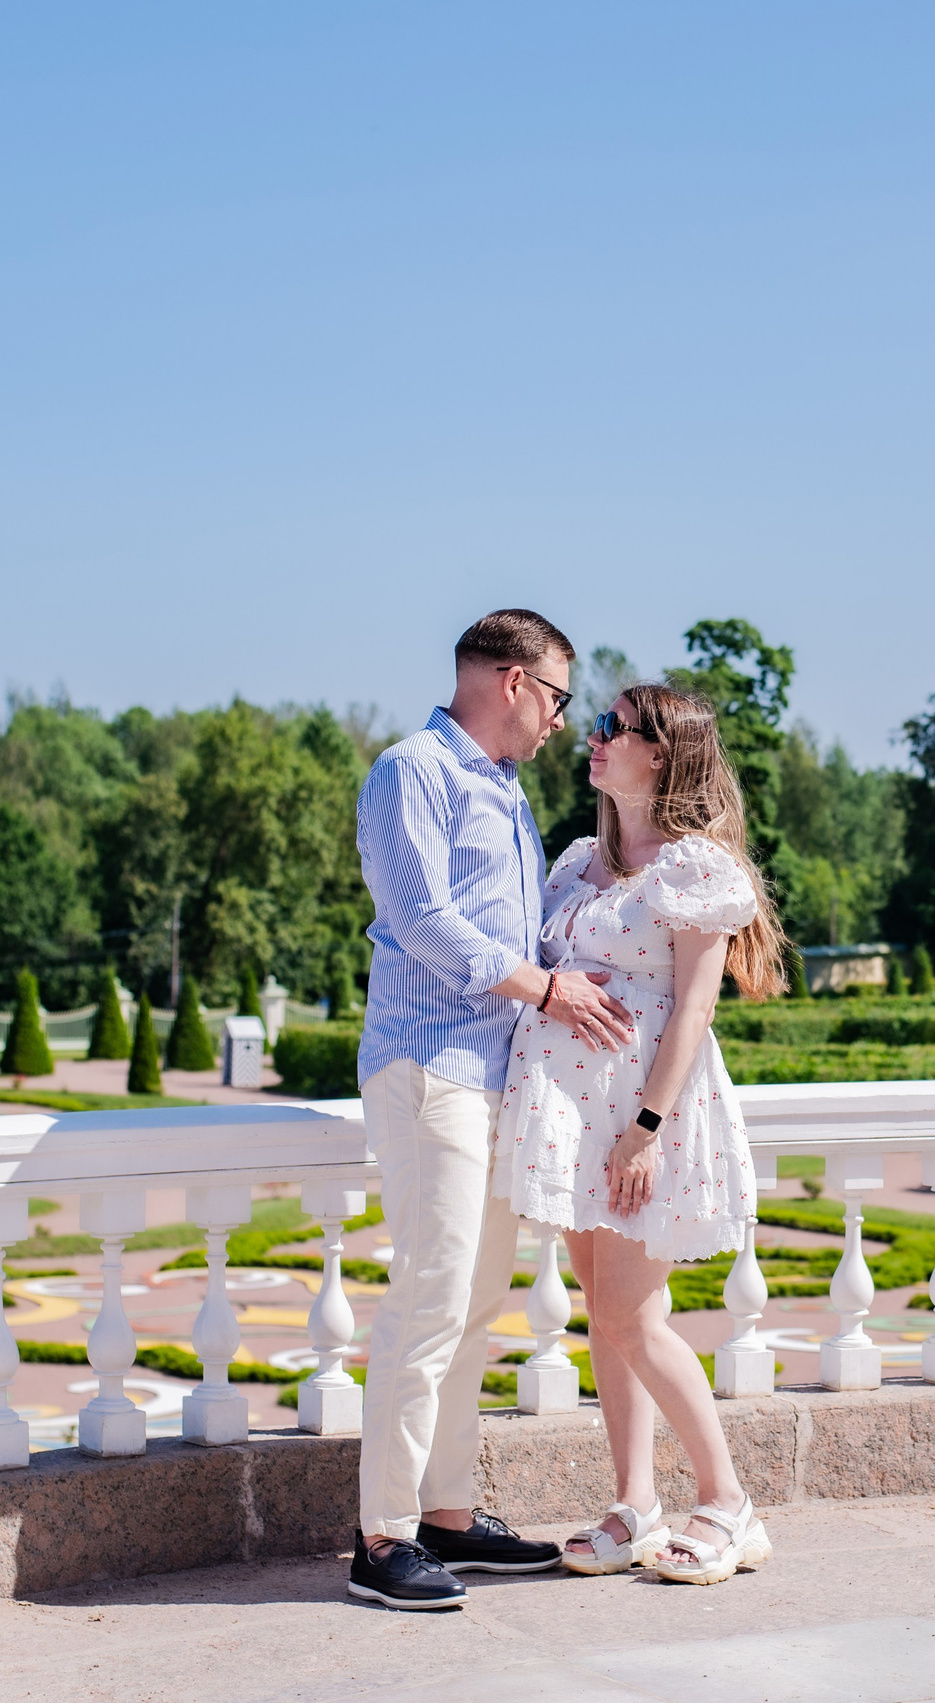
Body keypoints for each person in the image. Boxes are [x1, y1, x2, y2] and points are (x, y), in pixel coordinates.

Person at [347, 608, 636, 1612]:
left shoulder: (503, 790)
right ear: (512, 681)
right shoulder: (410, 771)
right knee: (428, 1297)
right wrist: (548, 989)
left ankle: (448, 1515)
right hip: (431, 1065)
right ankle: (379, 1536)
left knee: (473, 1307)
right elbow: (421, 917)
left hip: (497, 1076)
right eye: (559, 696)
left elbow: (518, 932)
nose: (563, 720)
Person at [494, 680, 790, 1586]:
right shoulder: (578, 859)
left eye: (612, 728)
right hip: (574, 1120)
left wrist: (648, 1129)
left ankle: (729, 1502)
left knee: (632, 1313)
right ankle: (634, 1506)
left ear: (660, 753)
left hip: (644, 1118)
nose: (592, 737)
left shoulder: (695, 867)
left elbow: (695, 1010)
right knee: (608, 1318)